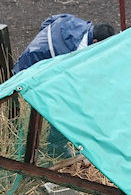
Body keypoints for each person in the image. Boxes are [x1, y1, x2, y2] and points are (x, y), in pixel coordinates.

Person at [13, 13, 114, 158]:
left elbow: (50, 20)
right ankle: (55, 148)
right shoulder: (75, 52)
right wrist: (46, 49)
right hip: (30, 71)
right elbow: (72, 82)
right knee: (65, 106)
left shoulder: (77, 24)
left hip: (38, 59)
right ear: (96, 41)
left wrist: (43, 40)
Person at [13, 13, 115, 73]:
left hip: (32, 52)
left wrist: (43, 38)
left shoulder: (74, 21)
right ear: (95, 42)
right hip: (28, 68)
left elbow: (48, 21)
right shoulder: (78, 51)